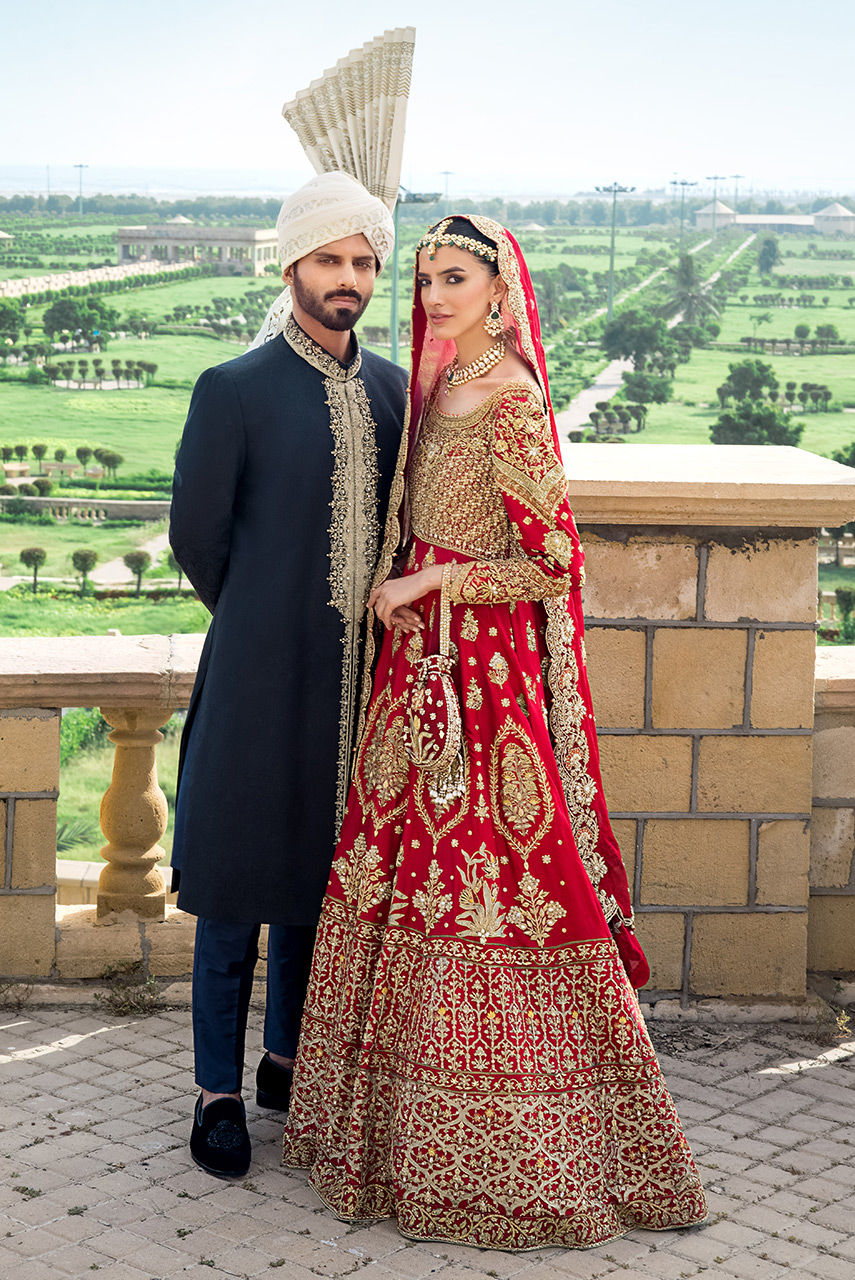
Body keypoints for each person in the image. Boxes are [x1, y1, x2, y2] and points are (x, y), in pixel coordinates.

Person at [281, 216, 708, 1249]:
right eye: (426, 277)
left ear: (500, 290)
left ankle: (524, 1157)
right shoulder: (440, 388)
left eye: (455, 279)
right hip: (418, 679)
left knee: (495, 883)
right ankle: (391, 1138)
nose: (433, 295)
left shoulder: (509, 399)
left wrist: (428, 580)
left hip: (483, 689)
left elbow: (552, 563)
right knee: (401, 876)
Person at [169, 171, 410, 1180]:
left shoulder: (397, 393)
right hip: (255, 681)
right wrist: (266, 616)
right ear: (291, 267)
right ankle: (216, 1094)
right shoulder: (233, 389)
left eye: (363, 261)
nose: (347, 278)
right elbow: (197, 538)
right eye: (329, 259)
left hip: (357, 692)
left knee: (318, 885)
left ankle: (285, 1064)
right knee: (233, 888)